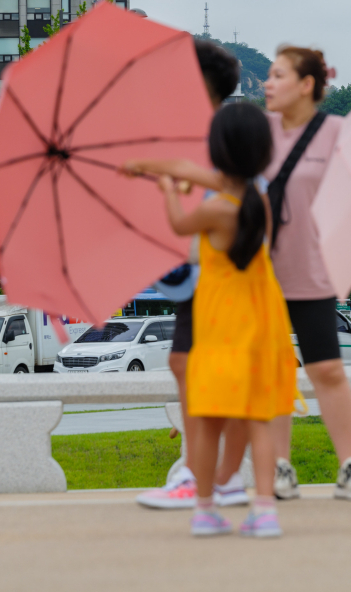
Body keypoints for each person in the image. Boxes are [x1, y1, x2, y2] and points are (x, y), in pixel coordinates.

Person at [155, 102, 295, 537]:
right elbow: (216, 180)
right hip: (261, 322)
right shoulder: (260, 205)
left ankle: (204, 508)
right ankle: (265, 509)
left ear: (216, 151)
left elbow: (179, 224)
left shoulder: (216, 210)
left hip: (220, 325)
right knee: (259, 418)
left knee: (209, 418)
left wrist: (168, 189)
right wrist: (173, 171)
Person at [135, 39, 251, 511]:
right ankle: (208, 472)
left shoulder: (225, 133)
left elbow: (228, 190)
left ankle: (210, 475)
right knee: (185, 366)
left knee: (206, 375)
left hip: (223, 276)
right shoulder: (190, 134)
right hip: (198, 274)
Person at [263, 46, 351, 501]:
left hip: (314, 271)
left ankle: (350, 466)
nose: (267, 84)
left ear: (306, 84)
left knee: (327, 368)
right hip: (263, 274)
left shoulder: (335, 132)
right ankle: (279, 468)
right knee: (273, 373)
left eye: (277, 75)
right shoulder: (260, 133)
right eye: (267, 76)